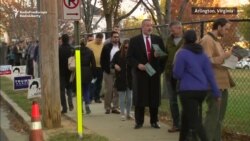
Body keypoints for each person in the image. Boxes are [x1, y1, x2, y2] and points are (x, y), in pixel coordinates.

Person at [173, 29, 221, 141]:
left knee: (195, 121)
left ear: (184, 40)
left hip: (187, 91)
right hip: (201, 91)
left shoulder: (182, 53)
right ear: (196, 40)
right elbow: (210, 75)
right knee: (186, 116)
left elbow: (177, 74)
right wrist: (216, 93)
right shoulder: (202, 54)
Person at [127, 19, 166, 129]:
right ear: (142, 27)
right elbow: (129, 57)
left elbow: (164, 56)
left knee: (154, 97)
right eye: (147, 26)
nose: (149, 28)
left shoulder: (157, 39)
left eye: (151, 26)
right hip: (140, 73)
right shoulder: (134, 40)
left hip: (154, 73)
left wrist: (159, 62)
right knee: (140, 97)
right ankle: (139, 122)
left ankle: (154, 121)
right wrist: (138, 65)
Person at [200, 18, 235, 141]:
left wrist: (233, 59)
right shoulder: (207, 40)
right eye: (226, 29)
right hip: (213, 85)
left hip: (222, 84)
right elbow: (205, 61)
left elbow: (220, 61)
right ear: (219, 27)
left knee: (219, 118)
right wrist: (223, 56)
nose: (226, 31)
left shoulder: (217, 41)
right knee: (213, 116)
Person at [165, 21, 184, 132]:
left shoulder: (187, 39)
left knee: (183, 100)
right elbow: (166, 54)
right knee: (172, 100)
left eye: (172, 30)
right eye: (170, 30)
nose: (171, 32)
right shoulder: (169, 39)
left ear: (179, 28)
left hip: (182, 76)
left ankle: (184, 124)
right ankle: (176, 124)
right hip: (169, 74)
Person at [112, 39, 133, 121]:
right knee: (121, 97)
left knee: (130, 97)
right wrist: (115, 65)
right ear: (122, 47)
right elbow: (112, 63)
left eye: (128, 47)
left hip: (130, 79)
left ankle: (128, 113)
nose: (126, 49)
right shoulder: (118, 54)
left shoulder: (132, 55)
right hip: (121, 78)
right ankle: (122, 114)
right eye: (125, 47)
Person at [100, 31, 121, 114]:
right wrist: (106, 69)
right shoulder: (106, 47)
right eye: (114, 37)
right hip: (108, 70)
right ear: (111, 38)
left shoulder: (121, 46)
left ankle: (115, 107)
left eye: (117, 37)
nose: (116, 38)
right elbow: (102, 60)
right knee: (108, 90)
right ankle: (107, 107)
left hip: (118, 71)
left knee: (117, 90)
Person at [80, 39, 96, 114]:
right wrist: (93, 74)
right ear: (86, 43)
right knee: (86, 89)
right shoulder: (90, 51)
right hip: (87, 72)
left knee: (79, 91)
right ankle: (87, 105)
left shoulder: (76, 51)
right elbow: (93, 64)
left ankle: (80, 108)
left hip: (78, 71)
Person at [86, 33, 104, 103]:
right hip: (92, 67)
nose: (99, 41)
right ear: (96, 38)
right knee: (92, 82)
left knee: (99, 83)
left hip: (100, 66)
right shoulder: (89, 44)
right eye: (98, 40)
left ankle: (97, 97)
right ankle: (90, 97)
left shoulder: (103, 44)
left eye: (100, 40)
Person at [59, 34, 74, 114]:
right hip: (70, 71)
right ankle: (71, 104)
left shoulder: (59, 49)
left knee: (62, 90)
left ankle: (64, 107)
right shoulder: (72, 49)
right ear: (68, 40)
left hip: (61, 72)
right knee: (69, 89)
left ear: (62, 40)